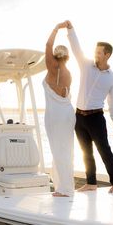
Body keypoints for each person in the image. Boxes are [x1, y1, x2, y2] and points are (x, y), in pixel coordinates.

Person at [64, 20, 113, 193]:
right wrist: (71, 29)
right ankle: (91, 183)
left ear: (107, 55)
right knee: (86, 152)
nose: (95, 54)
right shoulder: (86, 65)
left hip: (96, 118)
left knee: (104, 150)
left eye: (99, 52)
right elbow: (76, 48)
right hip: (79, 117)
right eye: (95, 52)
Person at [43, 22, 76, 197]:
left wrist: (56, 28)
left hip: (55, 115)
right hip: (68, 114)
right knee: (66, 149)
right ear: (68, 57)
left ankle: (64, 189)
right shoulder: (69, 73)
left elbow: (48, 45)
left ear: (55, 56)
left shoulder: (52, 67)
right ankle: (63, 185)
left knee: (58, 149)